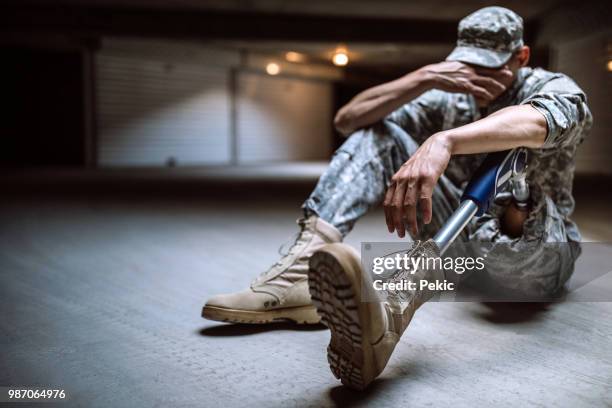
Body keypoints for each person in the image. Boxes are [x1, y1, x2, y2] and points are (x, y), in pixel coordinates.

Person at [202, 6, 592, 389]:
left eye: (489, 67)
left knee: (512, 166)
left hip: (533, 258)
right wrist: (424, 78)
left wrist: (445, 141)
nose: (475, 78)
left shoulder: (549, 85)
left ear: (520, 57)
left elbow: (543, 119)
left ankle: (396, 299)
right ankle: (313, 284)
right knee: (378, 131)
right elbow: (348, 120)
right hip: (460, 246)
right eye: (467, 66)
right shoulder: (450, 95)